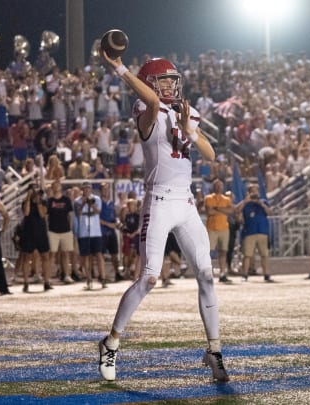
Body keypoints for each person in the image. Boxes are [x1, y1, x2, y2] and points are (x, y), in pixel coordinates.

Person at [97, 53, 228, 382]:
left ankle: (214, 352)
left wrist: (189, 131)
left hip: (185, 203)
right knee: (149, 278)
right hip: (157, 201)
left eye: (173, 78)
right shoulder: (145, 109)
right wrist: (120, 68)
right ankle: (111, 342)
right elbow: (152, 100)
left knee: (207, 275)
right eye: (163, 78)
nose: (171, 84)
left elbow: (211, 155)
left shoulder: (187, 112)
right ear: (149, 82)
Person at [235, 184, 274, 282]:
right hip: (249, 232)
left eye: (256, 191)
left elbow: (270, 212)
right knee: (247, 255)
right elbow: (237, 210)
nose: (255, 193)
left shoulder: (263, 202)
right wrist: (246, 200)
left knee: (264, 254)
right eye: (253, 191)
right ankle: (245, 274)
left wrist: (261, 204)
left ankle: (266, 274)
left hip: (262, 231)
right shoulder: (246, 204)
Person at [21, 183, 52, 292]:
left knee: (45, 257)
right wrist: (29, 197)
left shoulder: (43, 202)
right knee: (27, 258)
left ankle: (47, 281)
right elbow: (26, 212)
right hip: (29, 233)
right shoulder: (25, 202)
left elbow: (42, 214)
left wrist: (38, 200)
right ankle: (25, 282)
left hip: (41, 233)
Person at [74, 181, 105, 290]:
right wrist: (83, 203)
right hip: (84, 232)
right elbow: (77, 214)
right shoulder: (77, 201)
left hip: (95, 232)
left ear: (91, 189)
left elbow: (98, 212)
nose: (86, 190)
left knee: (98, 254)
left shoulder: (96, 199)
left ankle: (102, 277)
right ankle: (88, 278)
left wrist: (91, 203)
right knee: (85, 256)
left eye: (88, 188)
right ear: (82, 189)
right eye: (85, 188)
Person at [204, 179, 233, 283]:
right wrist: (222, 210)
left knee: (223, 252)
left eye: (220, 185)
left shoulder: (226, 199)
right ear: (213, 187)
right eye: (216, 185)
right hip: (212, 228)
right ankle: (208, 273)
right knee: (208, 252)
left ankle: (222, 273)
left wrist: (217, 208)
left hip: (224, 228)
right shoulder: (208, 198)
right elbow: (209, 211)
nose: (218, 187)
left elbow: (230, 211)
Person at [99, 184, 122, 282]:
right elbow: (97, 218)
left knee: (114, 254)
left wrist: (117, 222)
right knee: (101, 255)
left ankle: (117, 273)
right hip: (102, 232)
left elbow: (115, 216)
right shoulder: (98, 203)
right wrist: (109, 224)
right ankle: (102, 275)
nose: (106, 191)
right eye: (104, 189)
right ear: (100, 191)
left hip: (112, 232)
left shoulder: (112, 203)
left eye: (107, 189)